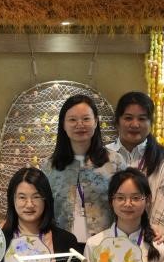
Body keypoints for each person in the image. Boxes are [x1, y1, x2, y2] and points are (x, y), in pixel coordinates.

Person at [41, 94, 126, 244]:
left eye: (86, 119)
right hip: (62, 245)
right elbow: (43, 208)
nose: (80, 124)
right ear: (63, 124)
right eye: (72, 119)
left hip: (105, 244)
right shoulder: (49, 166)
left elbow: (126, 203)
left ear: (96, 122)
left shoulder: (114, 162)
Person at [109, 92, 164, 240]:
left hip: (150, 241)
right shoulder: (103, 156)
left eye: (142, 118)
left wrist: (148, 238)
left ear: (151, 123)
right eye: (128, 118)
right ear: (117, 121)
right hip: (107, 242)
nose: (135, 124)